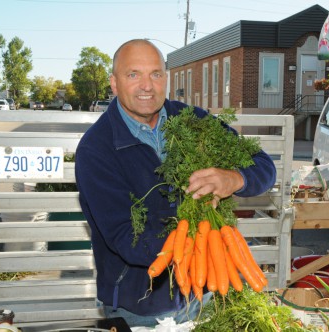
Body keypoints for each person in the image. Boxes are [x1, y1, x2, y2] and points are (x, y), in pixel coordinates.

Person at [75, 39, 277, 327]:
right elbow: (127, 239)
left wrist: (234, 178)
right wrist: (200, 234)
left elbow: (265, 166)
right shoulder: (96, 149)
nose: (147, 85)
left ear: (166, 79)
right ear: (114, 83)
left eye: (156, 74)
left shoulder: (193, 120)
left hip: (208, 291)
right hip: (139, 304)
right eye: (134, 74)